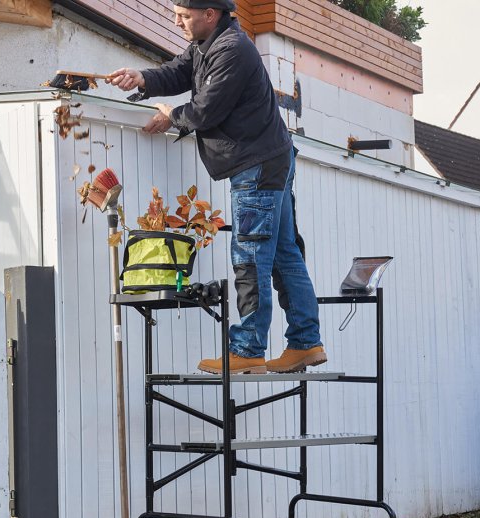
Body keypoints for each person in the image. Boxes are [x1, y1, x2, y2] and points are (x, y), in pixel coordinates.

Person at [107, 0, 326, 374]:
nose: (176, 21)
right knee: (283, 254)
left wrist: (172, 116)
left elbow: (207, 109)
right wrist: (142, 78)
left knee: (250, 256)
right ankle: (305, 343)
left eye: (184, 15)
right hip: (270, 158)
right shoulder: (209, 43)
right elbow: (178, 72)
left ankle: (248, 350)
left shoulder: (234, 50)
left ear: (210, 13)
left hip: (256, 166)